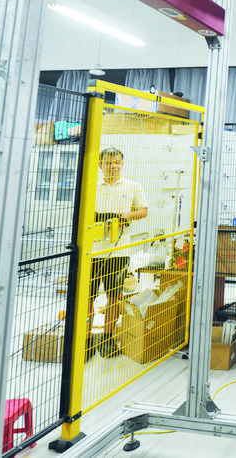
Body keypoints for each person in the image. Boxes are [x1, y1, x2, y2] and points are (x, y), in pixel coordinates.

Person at [88, 146, 147, 359]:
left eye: (117, 162)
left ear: (122, 164)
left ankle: (107, 337)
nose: (113, 166)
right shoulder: (91, 186)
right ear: (100, 165)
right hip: (91, 252)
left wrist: (127, 216)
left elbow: (144, 211)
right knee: (87, 296)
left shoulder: (133, 186)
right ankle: (86, 338)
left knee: (114, 296)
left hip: (119, 253)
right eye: (108, 162)